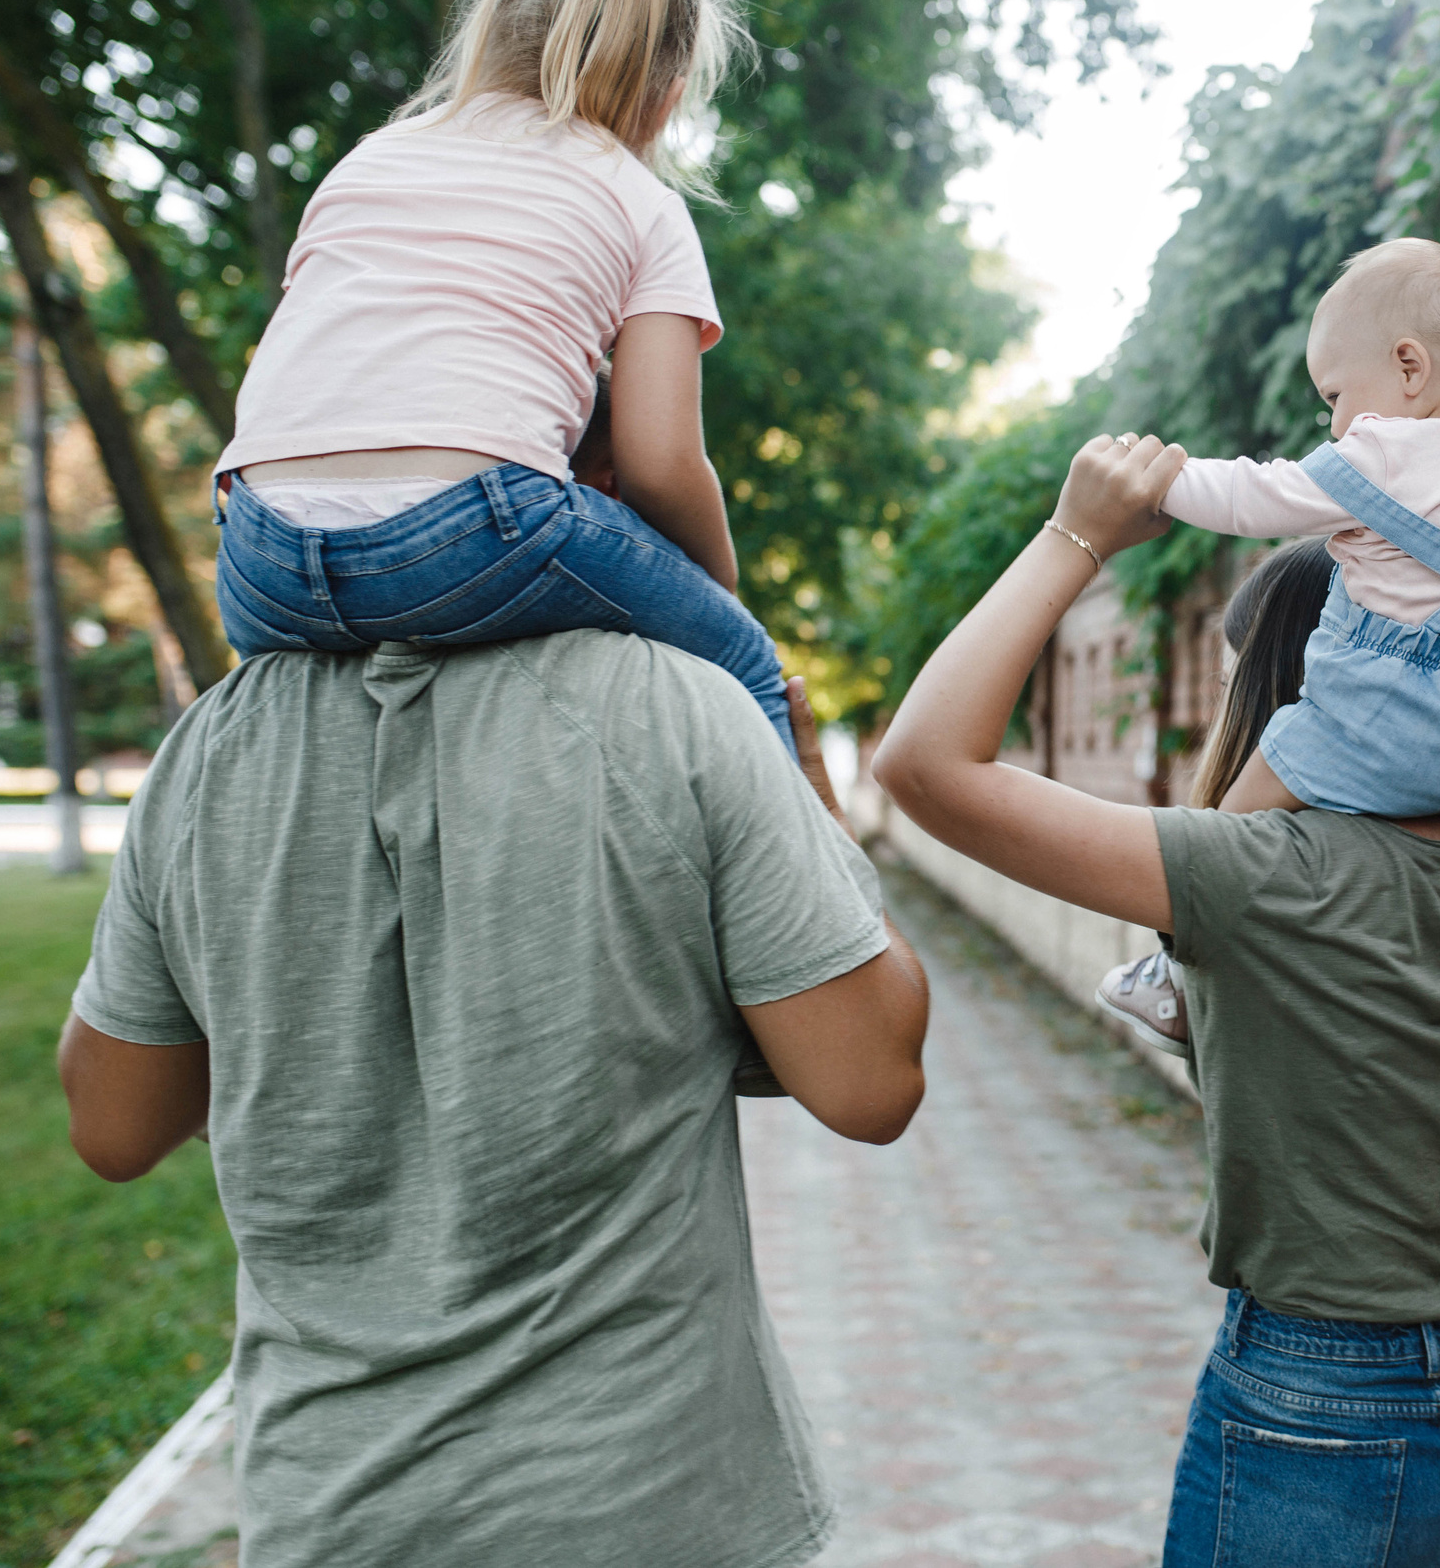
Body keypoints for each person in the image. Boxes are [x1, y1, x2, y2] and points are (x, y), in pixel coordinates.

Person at [872, 433, 1440, 1568]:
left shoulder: (1251, 874)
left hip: (1318, 1403)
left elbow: (924, 765)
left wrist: (1073, 535)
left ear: (1287, 695)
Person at [57, 628, 930, 1568]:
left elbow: (115, 1128)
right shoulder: (677, 706)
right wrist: (822, 834)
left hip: (334, 1506)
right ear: (595, 475)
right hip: (643, 1501)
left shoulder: (212, 742)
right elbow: (869, 1082)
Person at [207, 0, 800, 756]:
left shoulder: (371, 158)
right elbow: (661, 464)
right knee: (750, 667)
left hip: (257, 560)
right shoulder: (639, 198)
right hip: (466, 538)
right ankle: (816, 895)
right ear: (667, 93)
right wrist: (717, 592)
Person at [1096, 238, 1440, 1052]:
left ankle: (1177, 979)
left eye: (1337, 394)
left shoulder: (1382, 452)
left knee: (1223, 840)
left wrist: (1153, 479)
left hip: (1375, 715)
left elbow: (1255, 494)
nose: (1337, 422)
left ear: (1409, 369)